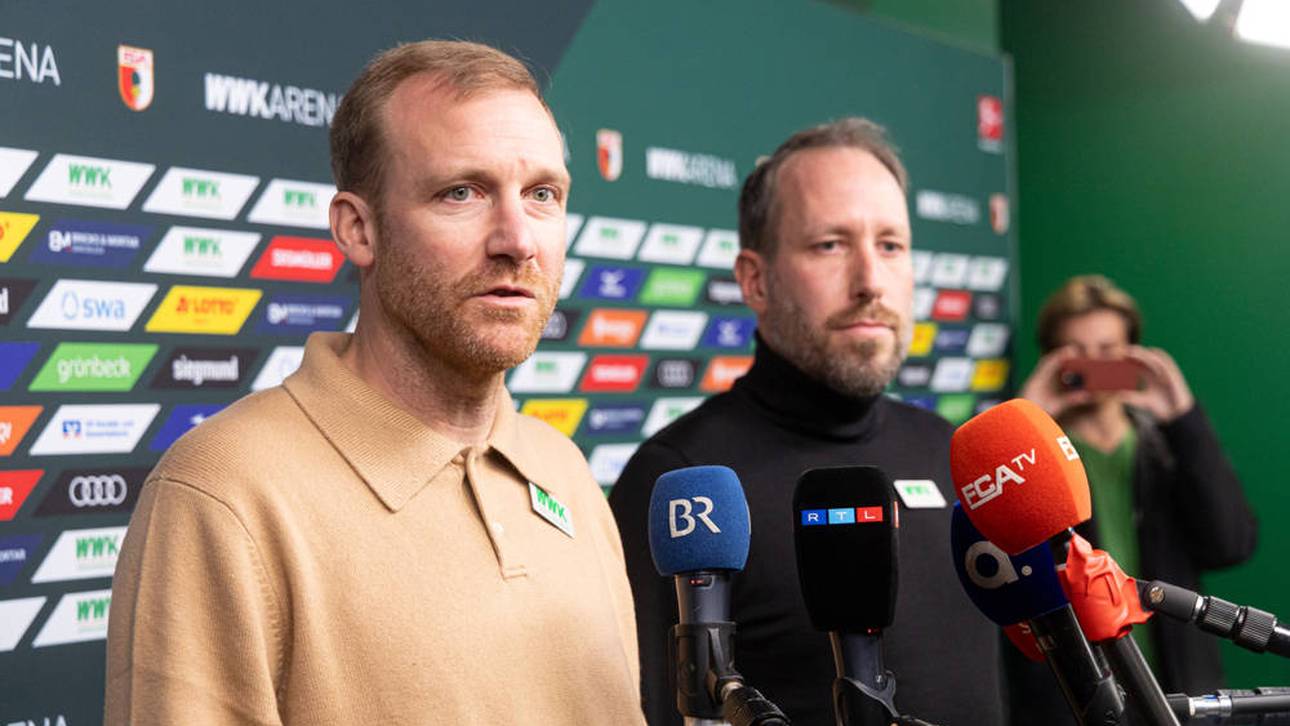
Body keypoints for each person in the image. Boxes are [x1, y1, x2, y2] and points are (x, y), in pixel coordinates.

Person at [105, 40, 646, 725]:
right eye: (463, 192)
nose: (517, 238)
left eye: (542, 194)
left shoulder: (563, 469)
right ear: (358, 230)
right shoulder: (222, 492)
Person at [608, 118, 1005, 725]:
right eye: (830, 245)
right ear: (755, 279)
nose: (871, 282)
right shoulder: (685, 483)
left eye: (891, 245)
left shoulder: (951, 454)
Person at [1019, 274, 1256, 694]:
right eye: (1076, 353)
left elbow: (1230, 543)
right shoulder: (1035, 456)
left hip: (1177, 684)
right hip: (1077, 691)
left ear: (1132, 353)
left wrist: (1184, 420)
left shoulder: (1165, 444)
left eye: (1108, 351)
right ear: (1052, 359)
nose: (1093, 364)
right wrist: (1024, 423)